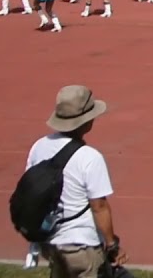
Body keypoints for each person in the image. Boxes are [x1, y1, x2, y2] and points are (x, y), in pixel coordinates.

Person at [26, 85, 126, 278]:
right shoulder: (89, 157)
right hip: (82, 245)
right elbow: (99, 206)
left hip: (51, 242)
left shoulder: (39, 147)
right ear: (86, 121)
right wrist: (112, 244)